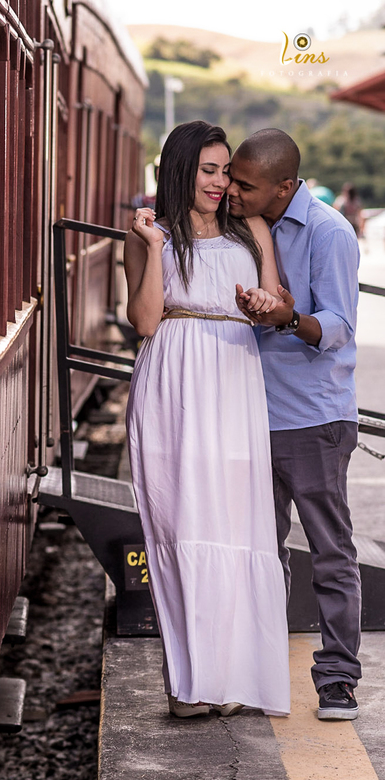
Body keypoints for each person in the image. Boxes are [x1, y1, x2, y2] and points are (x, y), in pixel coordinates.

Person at [125, 120, 291, 718]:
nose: (222, 184)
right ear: (180, 170)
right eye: (210, 171)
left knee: (238, 526)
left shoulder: (252, 229)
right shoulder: (150, 234)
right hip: (172, 384)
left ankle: (233, 678)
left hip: (234, 383)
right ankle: (189, 683)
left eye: (226, 172)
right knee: (181, 525)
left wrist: (265, 304)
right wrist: (153, 249)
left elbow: (278, 304)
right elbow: (145, 322)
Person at [228, 129, 363, 721]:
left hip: (313, 418)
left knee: (330, 554)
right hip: (248, 413)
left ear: (284, 187)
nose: (232, 190)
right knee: (260, 553)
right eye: (230, 178)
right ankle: (260, 670)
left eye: (245, 184)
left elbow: (338, 326)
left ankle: (337, 680)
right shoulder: (239, 224)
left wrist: (288, 318)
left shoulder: (330, 232)